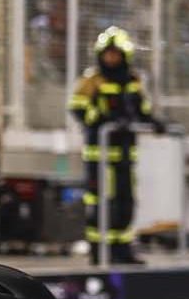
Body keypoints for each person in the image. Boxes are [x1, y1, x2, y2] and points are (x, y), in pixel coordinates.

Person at [68, 26, 166, 264]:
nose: (111, 58)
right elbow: (78, 108)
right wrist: (102, 119)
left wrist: (153, 122)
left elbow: (141, 109)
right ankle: (99, 250)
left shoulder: (133, 80)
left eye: (115, 54)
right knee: (101, 203)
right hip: (99, 155)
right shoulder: (92, 80)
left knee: (125, 202)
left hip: (124, 154)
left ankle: (122, 250)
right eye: (107, 54)